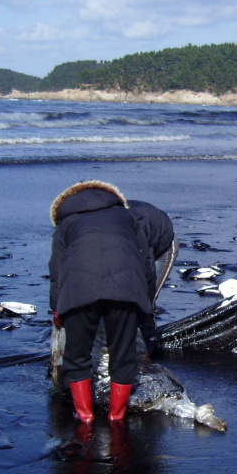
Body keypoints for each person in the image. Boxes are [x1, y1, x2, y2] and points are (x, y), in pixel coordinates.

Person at [49, 180, 153, 423]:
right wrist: (146, 301)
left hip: (79, 292)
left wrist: (56, 308)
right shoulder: (126, 217)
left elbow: (56, 270)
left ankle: (85, 415)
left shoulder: (66, 223)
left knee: (77, 354)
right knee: (123, 354)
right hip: (125, 290)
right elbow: (145, 259)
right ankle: (117, 416)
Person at [127, 199, 178, 354]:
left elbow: (146, 271)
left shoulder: (134, 226)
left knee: (144, 305)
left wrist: (145, 303)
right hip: (134, 248)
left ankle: (147, 353)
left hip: (161, 249)